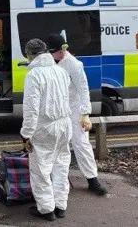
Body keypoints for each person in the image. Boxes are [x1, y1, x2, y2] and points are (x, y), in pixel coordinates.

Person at [45, 33, 108, 196]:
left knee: (81, 144)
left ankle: (92, 180)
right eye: (60, 50)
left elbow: (82, 88)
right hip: (56, 110)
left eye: (65, 48)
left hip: (74, 109)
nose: (63, 53)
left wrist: (85, 114)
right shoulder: (46, 63)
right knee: (57, 145)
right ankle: (56, 181)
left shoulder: (74, 64)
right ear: (51, 52)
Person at [20, 39, 73, 221]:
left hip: (44, 127)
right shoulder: (61, 71)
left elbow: (31, 109)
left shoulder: (34, 75)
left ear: (30, 54)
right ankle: (61, 205)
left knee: (40, 168)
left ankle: (46, 209)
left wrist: (26, 134)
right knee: (61, 165)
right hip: (64, 125)